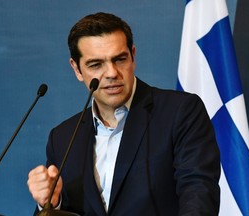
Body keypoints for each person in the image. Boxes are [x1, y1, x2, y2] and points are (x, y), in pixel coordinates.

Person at [27, 12, 220, 216]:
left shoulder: (179, 112)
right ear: (76, 69)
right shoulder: (63, 138)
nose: (111, 73)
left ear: (133, 56)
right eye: (96, 64)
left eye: (120, 59)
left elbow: (198, 193)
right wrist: (50, 205)